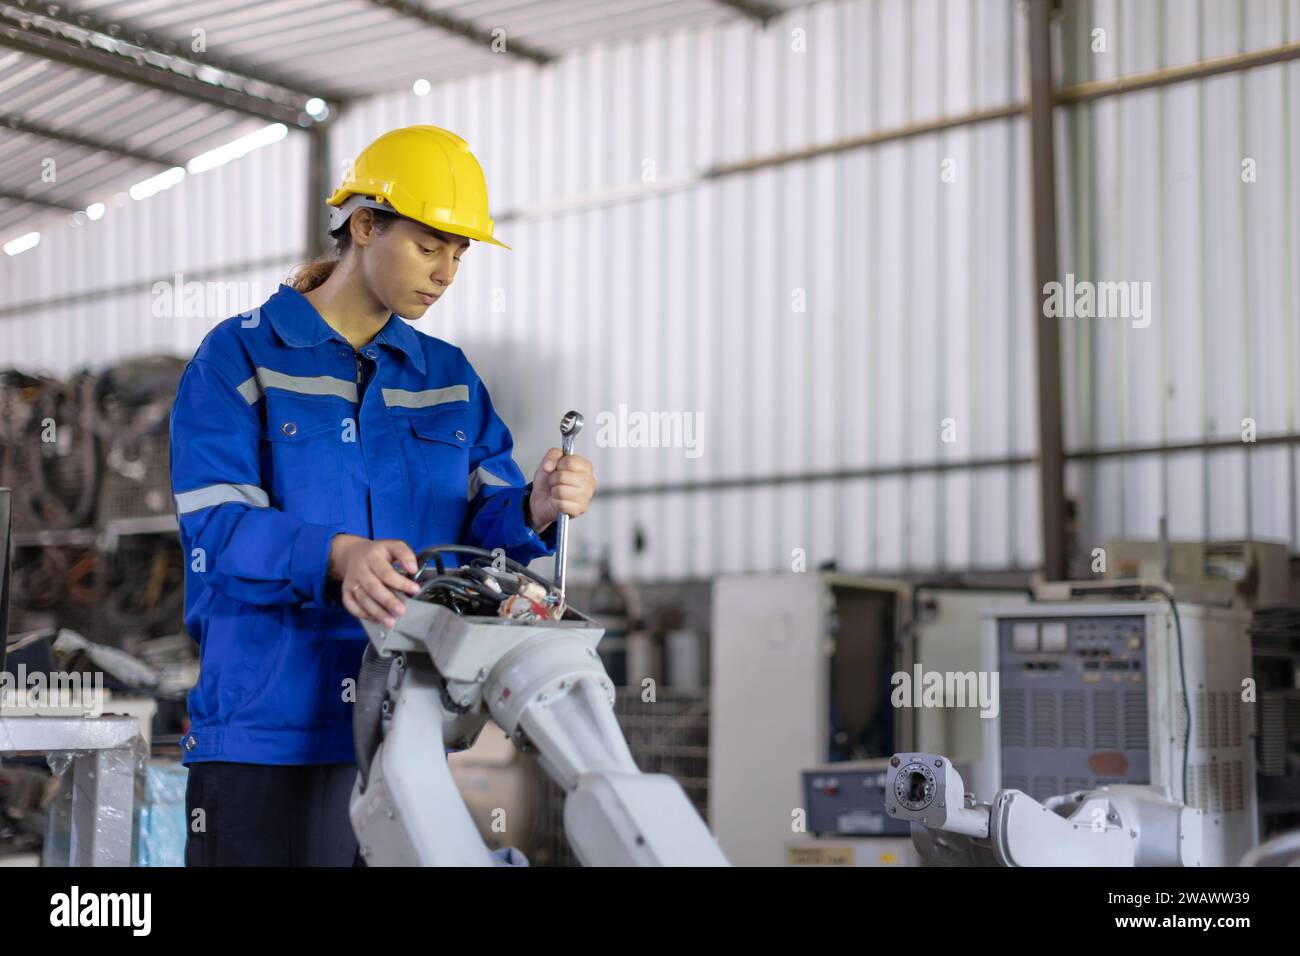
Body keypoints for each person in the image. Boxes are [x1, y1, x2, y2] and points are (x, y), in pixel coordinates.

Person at [170, 125, 597, 866]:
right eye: (430, 246)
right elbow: (216, 529)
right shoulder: (237, 357)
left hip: (405, 736)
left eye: (460, 253)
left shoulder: (448, 379)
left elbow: (479, 534)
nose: (448, 272)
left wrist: (535, 508)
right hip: (266, 737)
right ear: (363, 226)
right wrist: (336, 555)